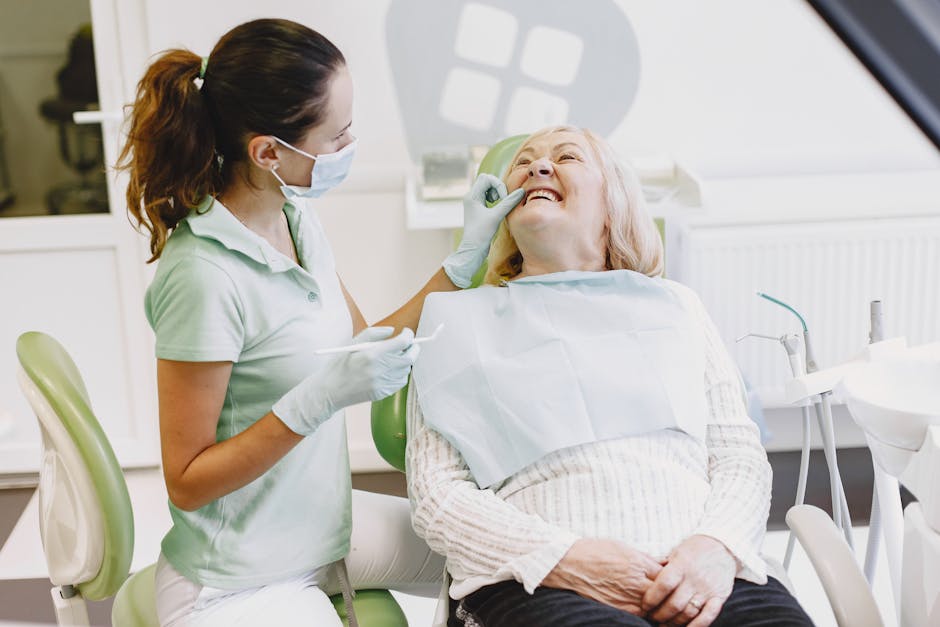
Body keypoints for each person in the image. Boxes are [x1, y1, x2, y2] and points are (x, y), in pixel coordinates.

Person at [117, 18, 522, 626]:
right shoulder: (203, 275)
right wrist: (313, 404)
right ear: (269, 152)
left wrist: (465, 259)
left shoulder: (296, 219)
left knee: (500, 558)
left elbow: (362, 342)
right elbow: (187, 480)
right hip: (236, 580)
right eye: (338, 135)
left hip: (319, 525)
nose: (350, 145)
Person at [406, 126, 816, 627]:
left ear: (613, 202)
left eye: (567, 156)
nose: (537, 166)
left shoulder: (676, 307)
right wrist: (565, 557)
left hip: (698, 567)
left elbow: (738, 455)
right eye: (524, 161)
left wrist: (716, 547)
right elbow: (436, 497)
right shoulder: (454, 321)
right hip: (537, 580)